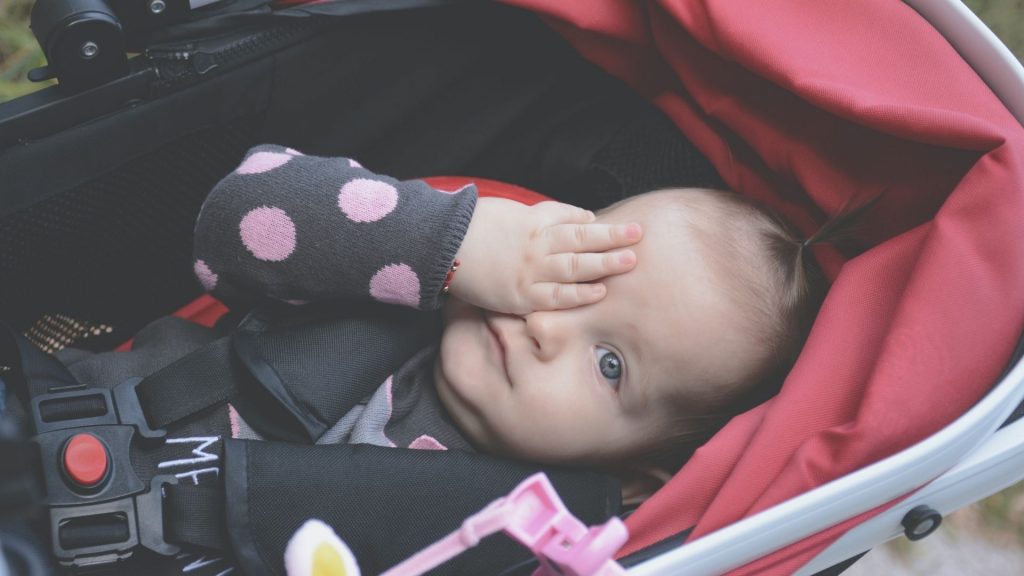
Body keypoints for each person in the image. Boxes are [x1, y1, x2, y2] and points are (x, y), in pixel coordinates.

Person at [193, 144, 827, 486]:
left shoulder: (502, 534)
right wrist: (450, 244)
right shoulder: (398, 275)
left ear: (631, 476)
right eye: (572, 279)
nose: (544, 326)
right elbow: (234, 213)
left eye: (609, 364)